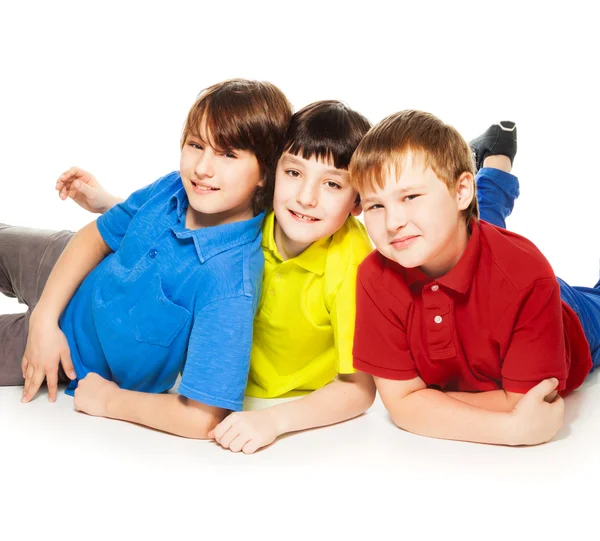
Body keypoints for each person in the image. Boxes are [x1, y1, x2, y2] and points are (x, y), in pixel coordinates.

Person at [56, 100, 377, 453]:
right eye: (294, 173)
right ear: (271, 175)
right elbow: (188, 220)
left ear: (358, 202)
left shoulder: (352, 265)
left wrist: (274, 421)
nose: (305, 198)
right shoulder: (264, 212)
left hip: (269, 401)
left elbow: (359, 388)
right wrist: (110, 204)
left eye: (332, 185)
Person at [0, 79, 293, 439]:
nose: (202, 168)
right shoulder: (172, 186)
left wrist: (110, 401)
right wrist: (45, 315)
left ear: (265, 173)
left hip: (67, 355)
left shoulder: (230, 282)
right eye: (196, 145)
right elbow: (95, 236)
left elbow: (203, 418)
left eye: (228, 154)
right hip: (63, 264)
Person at [348, 111, 598, 446]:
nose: (392, 222)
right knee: (471, 223)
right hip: (475, 253)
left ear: (462, 189)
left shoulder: (524, 276)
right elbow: (401, 404)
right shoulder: (375, 274)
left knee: (480, 236)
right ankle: (495, 161)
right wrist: (511, 429)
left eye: (410, 196)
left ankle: (491, 167)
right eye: (375, 206)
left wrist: (422, 401)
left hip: (568, 312)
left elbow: (524, 404)